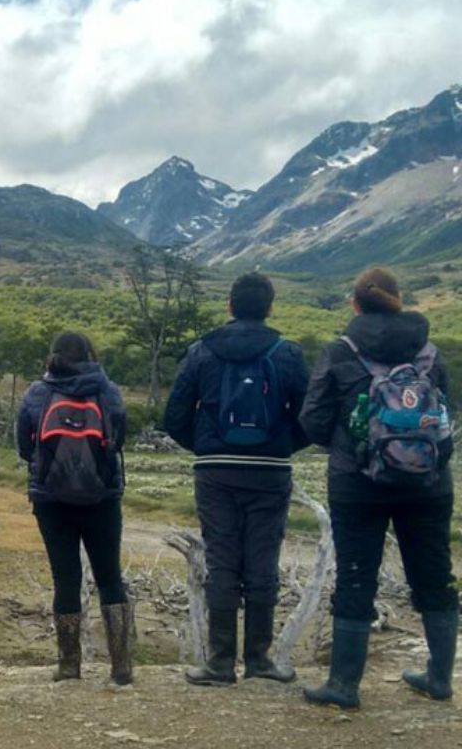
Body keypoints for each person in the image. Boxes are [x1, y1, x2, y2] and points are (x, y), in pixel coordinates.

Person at [301, 267, 456, 709]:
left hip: (357, 484)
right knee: (434, 574)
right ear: (399, 300)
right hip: (429, 483)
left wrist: (351, 442)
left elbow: (312, 422)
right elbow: (446, 416)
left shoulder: (339, 351)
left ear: (354, 304)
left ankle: (344, 685)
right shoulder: (429, 353)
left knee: (355, 575)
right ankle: (440, 677)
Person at [163, 272, 310, 686]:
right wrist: (280, 445)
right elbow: (310, 418)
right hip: (270, 472)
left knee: (222, 560)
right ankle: (259, 660)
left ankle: (221, 663)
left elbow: (174, 417)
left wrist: (208, 447)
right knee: (263, 561)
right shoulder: (289, 353)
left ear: (229, 304)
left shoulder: (200, 352)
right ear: (270, 307)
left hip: (216, 471)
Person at [17, 332, 134, 685]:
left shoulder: (37, 394)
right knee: (110, 577)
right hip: (102, 497)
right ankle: (121, 666)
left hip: (51, 499)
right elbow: (118, 441)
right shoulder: (109, 391)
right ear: (90, 355)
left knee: (65, 578)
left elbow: (26, 449)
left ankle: (69, 665)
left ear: (52, 356)